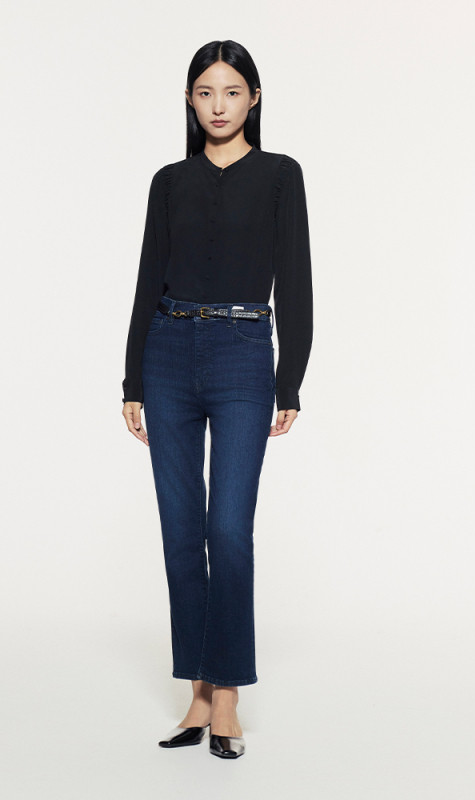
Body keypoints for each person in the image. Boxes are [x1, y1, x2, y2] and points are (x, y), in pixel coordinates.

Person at [121, 40, 313, 759]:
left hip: (241, 353)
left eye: (232, 91)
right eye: (205, 92)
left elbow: (296, 278)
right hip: (168, 354)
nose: (219, 105)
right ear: (189, 100)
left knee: (228, 531)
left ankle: (227, 694)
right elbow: (148, 277)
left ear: (254, 99)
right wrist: (133, 379)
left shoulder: (280, 175)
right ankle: (198, 692)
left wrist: (290, 378)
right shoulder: (170, 181)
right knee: (181, 533)